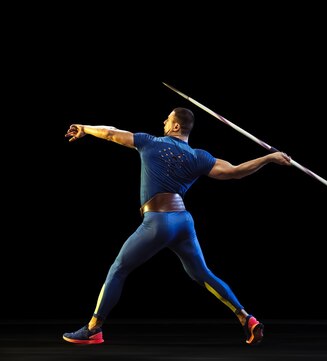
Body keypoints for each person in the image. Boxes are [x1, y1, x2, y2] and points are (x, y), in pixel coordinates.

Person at [62, 107, 292, 346]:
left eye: (167, 119)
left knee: (118, 268)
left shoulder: (150, 142)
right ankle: (247, 318)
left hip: (159, 222)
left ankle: (93, 329)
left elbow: (111, 133)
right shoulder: (198, 156)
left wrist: (85, 129)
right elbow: (235, 172)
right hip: (182, 222)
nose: (163, 121)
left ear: (175, 126)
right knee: (201, 273)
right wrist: (269, 158)